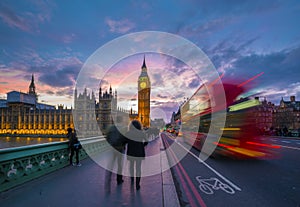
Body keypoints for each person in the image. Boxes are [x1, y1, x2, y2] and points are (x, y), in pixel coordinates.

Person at [124, 120, 148, 190]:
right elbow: (146, 142)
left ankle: (132, 179)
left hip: (131, 152)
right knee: (138, 168)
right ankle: (137, 184)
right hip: (139, 153)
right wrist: (142, 146)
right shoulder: (142, 133)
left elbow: (124, 142)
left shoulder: (128, 133)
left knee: (131, 166)